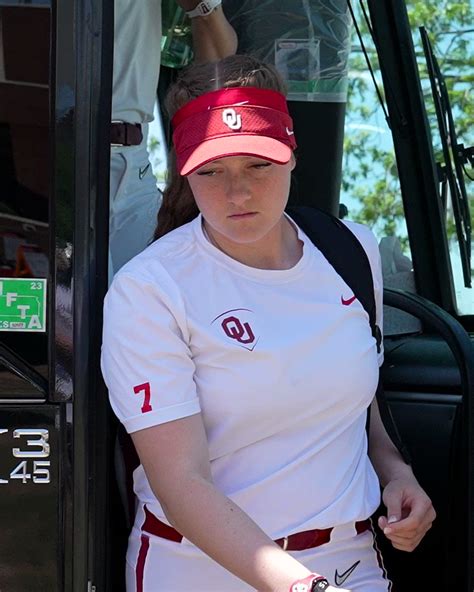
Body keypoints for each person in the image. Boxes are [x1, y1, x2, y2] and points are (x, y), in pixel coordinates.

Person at [101, 55, 436, 592]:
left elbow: (359, 405)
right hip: (197, 570)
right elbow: (181, 484)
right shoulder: (150, 289)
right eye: (211, 171)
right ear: (185, 170)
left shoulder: (350, 250)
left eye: (258, 165)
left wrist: (397, 473)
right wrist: (302, 587)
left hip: (348, 559)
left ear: (291, 153)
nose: (237, 192)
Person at [109, 0, 237, 278]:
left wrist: (204, 8)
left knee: (156, 289)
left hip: (135, 162)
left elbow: (217, 65)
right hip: (66, 146)